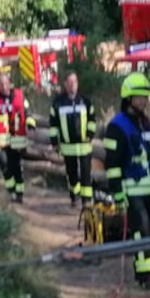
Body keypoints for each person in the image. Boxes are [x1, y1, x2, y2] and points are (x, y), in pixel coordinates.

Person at [104, 73, 150, 289]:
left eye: (145, 96)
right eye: (139, 97)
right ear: (128, 98)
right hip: (131, 192)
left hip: (148, 190)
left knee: (149, 231)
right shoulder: (117, 127)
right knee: (140, 231)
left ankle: (149, 267)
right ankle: (144, 275)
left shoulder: (145, 123)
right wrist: (118, 194)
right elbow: (112, 165)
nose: (144, 100)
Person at [0, 71, 36, 202]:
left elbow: (27, 112)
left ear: (9, 83)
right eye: (0, 84)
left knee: (15, 165)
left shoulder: (19, 95)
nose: (4, 86)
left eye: (6, 83)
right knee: (3, 163)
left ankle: (19, 193)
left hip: (16, 137)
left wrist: (30, 123)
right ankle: (11, 190)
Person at [49, 71, 98, 206]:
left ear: (77, 83)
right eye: (69, 82)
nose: (72, 85)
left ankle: (86, 200)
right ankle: (74, 194)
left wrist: (90, 134)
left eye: (74, 82)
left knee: (86, 173)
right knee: (72, 174)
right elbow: (53, 124)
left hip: (84, 144)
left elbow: (92, 120)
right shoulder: (58, 103)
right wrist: (54, 143)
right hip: (68, 146)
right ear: (65, 84)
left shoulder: (86, 101)